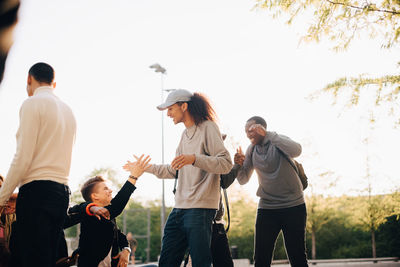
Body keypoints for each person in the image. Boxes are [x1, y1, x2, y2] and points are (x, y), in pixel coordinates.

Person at [124, 89, 232, 267]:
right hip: (179, 210)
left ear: (184, 106)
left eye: (170, 108)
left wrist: (194, 159)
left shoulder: (208, 127)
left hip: (200, 209)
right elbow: (175, 170)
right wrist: (146, 168)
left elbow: (225, 163)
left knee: (200, 262)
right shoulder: (184, 135)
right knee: (166, 261)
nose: (168, 114)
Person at [0, 62, 77, 267]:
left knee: (28, 258)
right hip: (62, 193)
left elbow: (22, 157)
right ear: (54, 83)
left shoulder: (32, 103)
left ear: (29, 79)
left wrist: (1, 199)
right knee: (48, 259)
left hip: (37, 193)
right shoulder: (68, 110)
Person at [235, 116, 308, 267]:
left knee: (297, 257)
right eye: (245, 131)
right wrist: (237, 165)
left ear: (262, 128)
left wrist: (268, 134)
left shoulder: (278, 141)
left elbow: (297, 150)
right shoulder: (251, 149)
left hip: (293, 206)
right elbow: (243, 180)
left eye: (251, 130)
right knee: (261, 259)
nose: (248, 134)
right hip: (267, 208)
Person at [71, 155, 151, 267]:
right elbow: (117, 205)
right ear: (95, 196)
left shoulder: (109, 217)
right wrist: (133, 176)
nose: (110, 190)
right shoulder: (90, 214)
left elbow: (121, 236)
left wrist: (126, 250)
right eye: (105, 189)